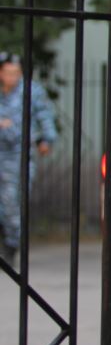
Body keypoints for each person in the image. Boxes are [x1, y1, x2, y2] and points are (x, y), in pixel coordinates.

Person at [0, 53, 56, 265]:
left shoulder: (31, 91)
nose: (12, 77)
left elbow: (45, 115)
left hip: (18, 155)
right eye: (8, 72)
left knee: (13, 202)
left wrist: (47, 139)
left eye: (16, 73)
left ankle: (11, 247)